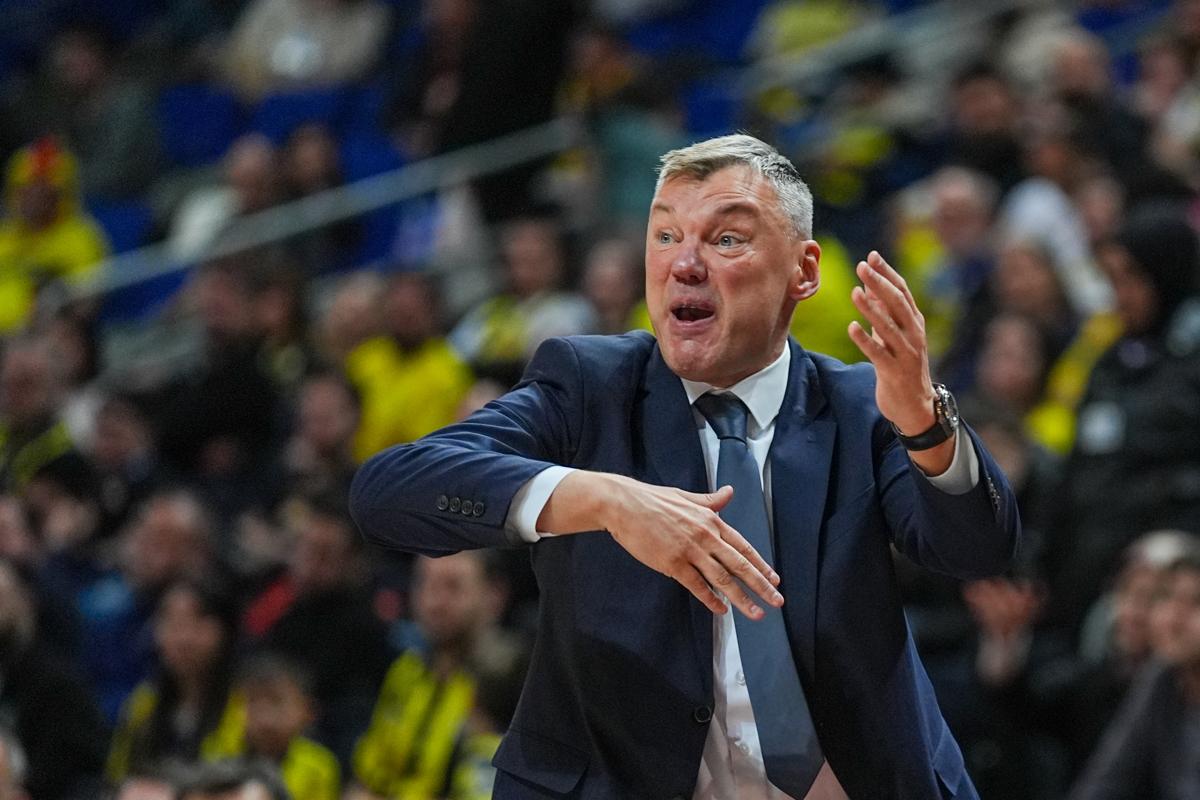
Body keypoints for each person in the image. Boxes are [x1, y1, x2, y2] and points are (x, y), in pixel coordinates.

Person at [351, 134, 1020, 799]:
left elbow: (978, 550)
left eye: (726, 239)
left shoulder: (860, 407)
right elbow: (387, 490)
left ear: (803, 271)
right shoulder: (589, 386)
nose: (685, 264)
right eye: (665, 235)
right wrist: (606, 501)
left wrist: (924, 422)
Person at [1067, 547, 1200, 799]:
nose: (1174, 619)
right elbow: (1108, 780)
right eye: (1167, 597)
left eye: (1195, 602)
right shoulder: (1162, 677)